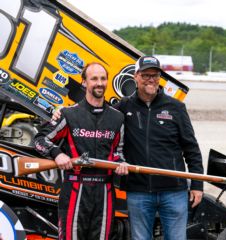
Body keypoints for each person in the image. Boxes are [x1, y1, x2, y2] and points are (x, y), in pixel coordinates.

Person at [52, 56, 204, 240]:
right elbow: (96, 111)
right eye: (146, 75)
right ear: (136, 77)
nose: (151, 79)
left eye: (155, 75)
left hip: (173, 191)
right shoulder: (123, 107)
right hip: (138, 192)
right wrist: (59, 112)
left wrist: (197, 185)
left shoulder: (176, 107)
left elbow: (191, 148)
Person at [34, 62, 128, 240]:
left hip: (105, 193)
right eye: (94, 78)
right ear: (84, 82)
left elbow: (119, 152)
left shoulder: (118, 118)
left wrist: (121, 163)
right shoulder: (68, 114)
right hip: (74, 190)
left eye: (103, 78)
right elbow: (39, 140)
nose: (99, 83)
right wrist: (57, 153)